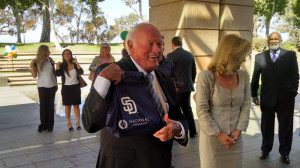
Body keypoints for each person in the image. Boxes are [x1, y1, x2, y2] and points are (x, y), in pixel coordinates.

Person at [82, 23, 188, 168]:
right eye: (150, 44)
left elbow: (178, 116)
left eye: (160, 44)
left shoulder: (164, 78)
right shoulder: (110, 73)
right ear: (130, 46)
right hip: (123, 163)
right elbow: (90, 123)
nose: (157, 50)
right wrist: (103, 79)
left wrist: (178, 128)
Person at [196, 34, 251, 168]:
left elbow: (246, 104)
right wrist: (218, 134)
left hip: (235, 139)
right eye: (241, 55)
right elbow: (202, 110)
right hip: (213, 138)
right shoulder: (206, 76)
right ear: (231, 55)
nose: (243, 59)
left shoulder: (243, 75)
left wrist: (238, 130)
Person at [251, 32, 299, 164]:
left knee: (286, 127)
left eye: (276, 38)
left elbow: (295, 75)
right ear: (268, 41)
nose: (273, 41)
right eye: (271, 39)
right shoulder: (260, 57)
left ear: (281, 40)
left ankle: (285, 153)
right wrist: (254, 94)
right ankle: (265, 150)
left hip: (286, 98)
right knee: (266, 126)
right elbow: (255, 77)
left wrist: (293, 92)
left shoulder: (290, 55)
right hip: (267, 98)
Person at [167, 36, 197, 138]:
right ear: (182, 44)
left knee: (175, 110)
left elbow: (169, 73)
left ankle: (177, 133)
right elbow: (194, 72)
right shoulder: (189, 55)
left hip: (176, 89)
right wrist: (190, 83)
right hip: (187, 87)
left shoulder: (170, 56)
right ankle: (193, 131)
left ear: (172, 45)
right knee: (187, 109)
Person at [30, 45, 57, 132]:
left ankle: (50, 126)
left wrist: (56, 84)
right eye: (47, 51)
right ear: (43, 51)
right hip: (42, 86)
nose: (49, 53)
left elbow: (54, 73)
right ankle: (43, 124)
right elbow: (34, 76)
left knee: (51, 106)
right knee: (43, 106)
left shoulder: (51, 60)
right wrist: (31, 65)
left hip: (52, 85)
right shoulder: (36, 62)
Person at [56, 49, 84, 131]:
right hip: (66, 88)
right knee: (67, 107)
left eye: (68, 54)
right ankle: (69, 123)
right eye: (65, 54)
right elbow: (57, 74)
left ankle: (78, 122)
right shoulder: (61, 65)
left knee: (76, 106)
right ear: (63, 56)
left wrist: (77, 63)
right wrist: (57, 66)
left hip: (75, 87)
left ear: (71, 55)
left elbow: (81, 72)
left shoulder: (74, 64)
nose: (66, 55)